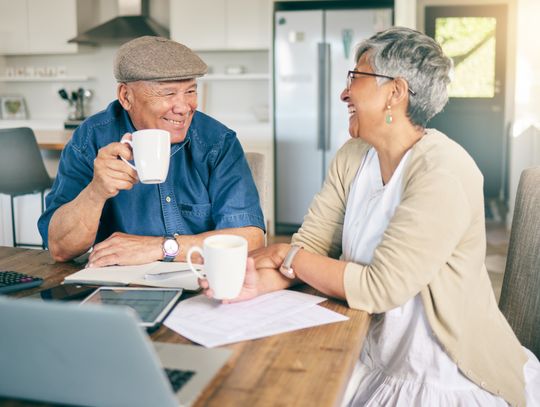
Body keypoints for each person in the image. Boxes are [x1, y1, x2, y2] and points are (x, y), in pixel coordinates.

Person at [202, 27, 540, 406]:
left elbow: (381, 288)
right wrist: (261, 283)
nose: (344, 92)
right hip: (368, 351)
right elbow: (312, 245)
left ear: (395, 92)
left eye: (356, 78)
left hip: (441, 372)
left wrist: (284, 256)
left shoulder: (443, 171)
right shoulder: (353, 156)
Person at [38, 36, 265, 267]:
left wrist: (160, 247)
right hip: (113, 289)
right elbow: (59, 249)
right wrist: (96, 192)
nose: (184, 107)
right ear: (126, 97)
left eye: (190, 91)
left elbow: (251, 240)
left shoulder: (217, 142)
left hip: (198, 282)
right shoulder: (90, 139)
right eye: (168, 94)